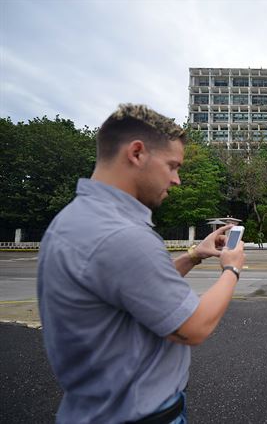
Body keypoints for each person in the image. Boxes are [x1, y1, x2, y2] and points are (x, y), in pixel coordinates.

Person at [37, 104, 246, 423]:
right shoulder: (122, 235)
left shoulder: (76, 220)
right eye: (172, 165)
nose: (177, 180)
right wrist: (231, 268)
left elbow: (135, 291)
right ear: (137, 153)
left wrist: (194, 255)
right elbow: (193, 327)